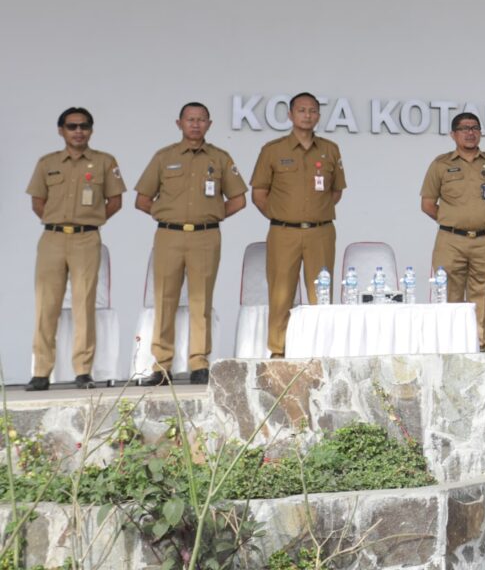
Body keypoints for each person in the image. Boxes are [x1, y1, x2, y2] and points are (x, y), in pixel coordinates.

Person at [133, 102, 246, 385]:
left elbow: (238, 199)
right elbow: (142, 199)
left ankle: (199, 364)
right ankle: (161, 367)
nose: (195, 124)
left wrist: (212, 215)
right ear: (179, 123)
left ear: (209, 124)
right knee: (165, 300)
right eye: (190, 119)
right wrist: (165, 215)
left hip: (206, 237)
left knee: (201, 301)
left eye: (201, 120)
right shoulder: (164, 157)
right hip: (168, 236)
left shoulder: (220, 158)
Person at [25, 107, 125, 391]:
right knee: (47, 306)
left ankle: (83, 371)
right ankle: (41, 372)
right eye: (72, 126)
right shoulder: (48, 163)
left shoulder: (105, 162)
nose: (78, 131)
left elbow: (115, 202)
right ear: (61, 130)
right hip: (53, 239)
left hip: (86, 239)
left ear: (91, 130)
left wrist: (90, 221)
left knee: (84, 304)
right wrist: (58, 221)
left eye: (84, 126)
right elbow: (37, 203)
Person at [250, 92, 346, 358]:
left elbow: (336, 191)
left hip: (321, 232)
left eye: (313, 110)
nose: (308, 115)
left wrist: (315, 211)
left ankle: (321, 350)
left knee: (321, 295)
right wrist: (282, 214)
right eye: (302, 110)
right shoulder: (273, 150)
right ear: (290, 115)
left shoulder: (330, 150)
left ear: (318, 115)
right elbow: (259, 194)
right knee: (281, 293)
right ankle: (279, 350)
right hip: (284, 232)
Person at [422, 113, 485, 352]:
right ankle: (451, 348)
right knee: (449, 295)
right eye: (464, 128)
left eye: (475, 128)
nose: (470, 132)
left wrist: (479, 217)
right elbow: (428, 205)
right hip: (450, 241)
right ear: (453, 134)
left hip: (484, 240)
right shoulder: (440, 164)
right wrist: (455, 220)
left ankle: (480, 346)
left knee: (482, 296)